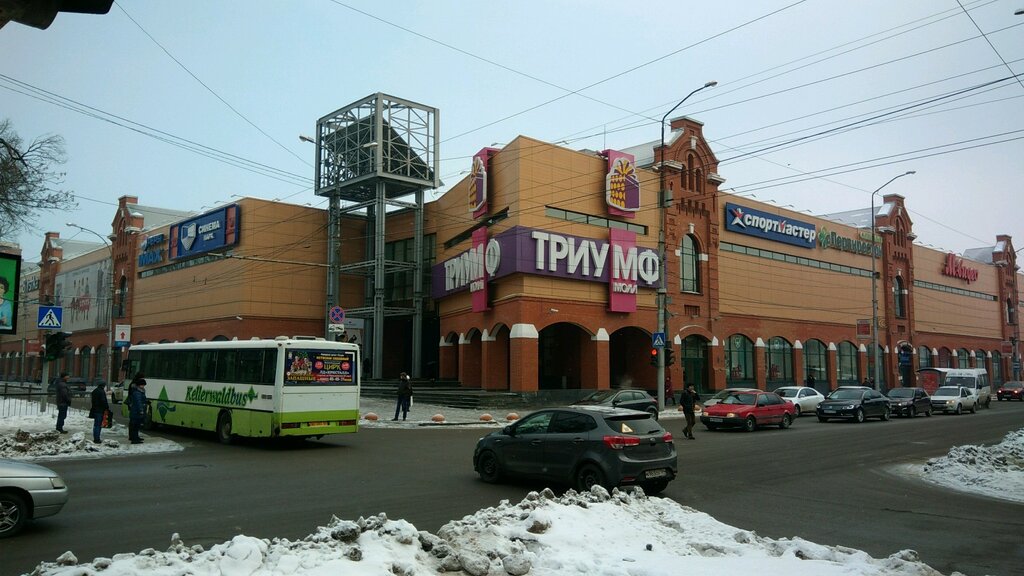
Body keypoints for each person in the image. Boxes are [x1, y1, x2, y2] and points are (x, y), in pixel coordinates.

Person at [127, 373, 148, 444]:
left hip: (135, 410)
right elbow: (138, 402)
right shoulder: (137, 391)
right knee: (134, 425)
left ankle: (135, 437)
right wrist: (141, 410)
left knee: (136, 425)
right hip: (136, 411)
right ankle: (134, 438)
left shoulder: (138, 390)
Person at [88, 379, 110, 444]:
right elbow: (103, 401)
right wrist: (107, 408)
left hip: (95, 409)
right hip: (100, 410)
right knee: (98, 425)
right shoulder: (101, 392)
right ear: (103, 385)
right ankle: (97, 439)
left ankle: (96, 437)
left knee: (96, 425)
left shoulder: (95, 391)